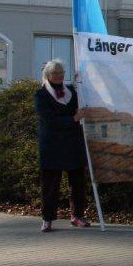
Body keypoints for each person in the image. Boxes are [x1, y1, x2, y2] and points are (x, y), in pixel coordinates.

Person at [35, 59, 91, 231]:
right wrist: (73, 119)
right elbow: (48, 120)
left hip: (73, 143)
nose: (59, 76)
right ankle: (48, 219)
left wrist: (81, 79)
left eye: (61, 73)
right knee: (50, 184)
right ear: (48, 75)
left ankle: (77, 216)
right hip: (51, 145)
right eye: (55, 73)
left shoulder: (72, 91)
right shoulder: (41, 95)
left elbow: (82, 101)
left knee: (78, 182)